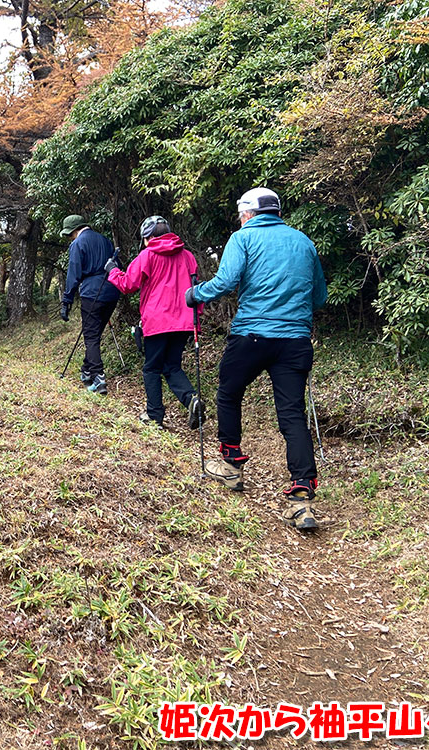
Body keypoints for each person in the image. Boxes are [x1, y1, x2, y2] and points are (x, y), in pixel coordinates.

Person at [186, 187, 327, 531]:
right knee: (292, 413)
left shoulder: (242, 238)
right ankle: (302, 496)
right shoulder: (303, 242)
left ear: (247, 213)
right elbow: (319, 297)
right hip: (295, 340)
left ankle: (231, 464)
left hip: (252, 335)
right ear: (277, 212)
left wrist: (195, 294)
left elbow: (227, 281)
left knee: (229, 392)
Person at [105, 216, 205, 429]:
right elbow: (197, 288)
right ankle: (191, 399)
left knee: (151, 368)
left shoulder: (147, 255)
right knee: (172, 366)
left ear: (148, 237)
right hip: (185, 321)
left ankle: (154, 415)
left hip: (157, 321)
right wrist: (197, 319)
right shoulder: (188, 256)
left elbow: (127, 285)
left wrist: (113, 270)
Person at [59, 214, 121, 395]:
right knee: (96, 333)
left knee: (91, 336)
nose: (70, 238)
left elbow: (73, 273)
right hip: (112, 291)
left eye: (69, 234)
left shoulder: (78, 244)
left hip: (91, 293)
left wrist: (67, 301)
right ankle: (87, 370)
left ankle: (98, 377)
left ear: (74, 230)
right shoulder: (105, 240)